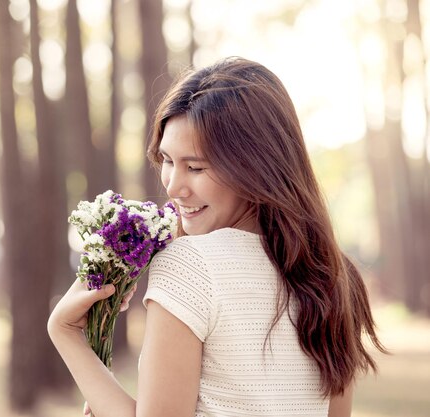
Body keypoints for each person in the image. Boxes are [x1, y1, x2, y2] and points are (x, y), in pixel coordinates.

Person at [47, 57, 385, 417]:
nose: (174, 186)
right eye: (167, 161)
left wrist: (66, 333)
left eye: (195, 167)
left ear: (255, 166)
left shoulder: (189, 265)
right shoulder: (332, 276)